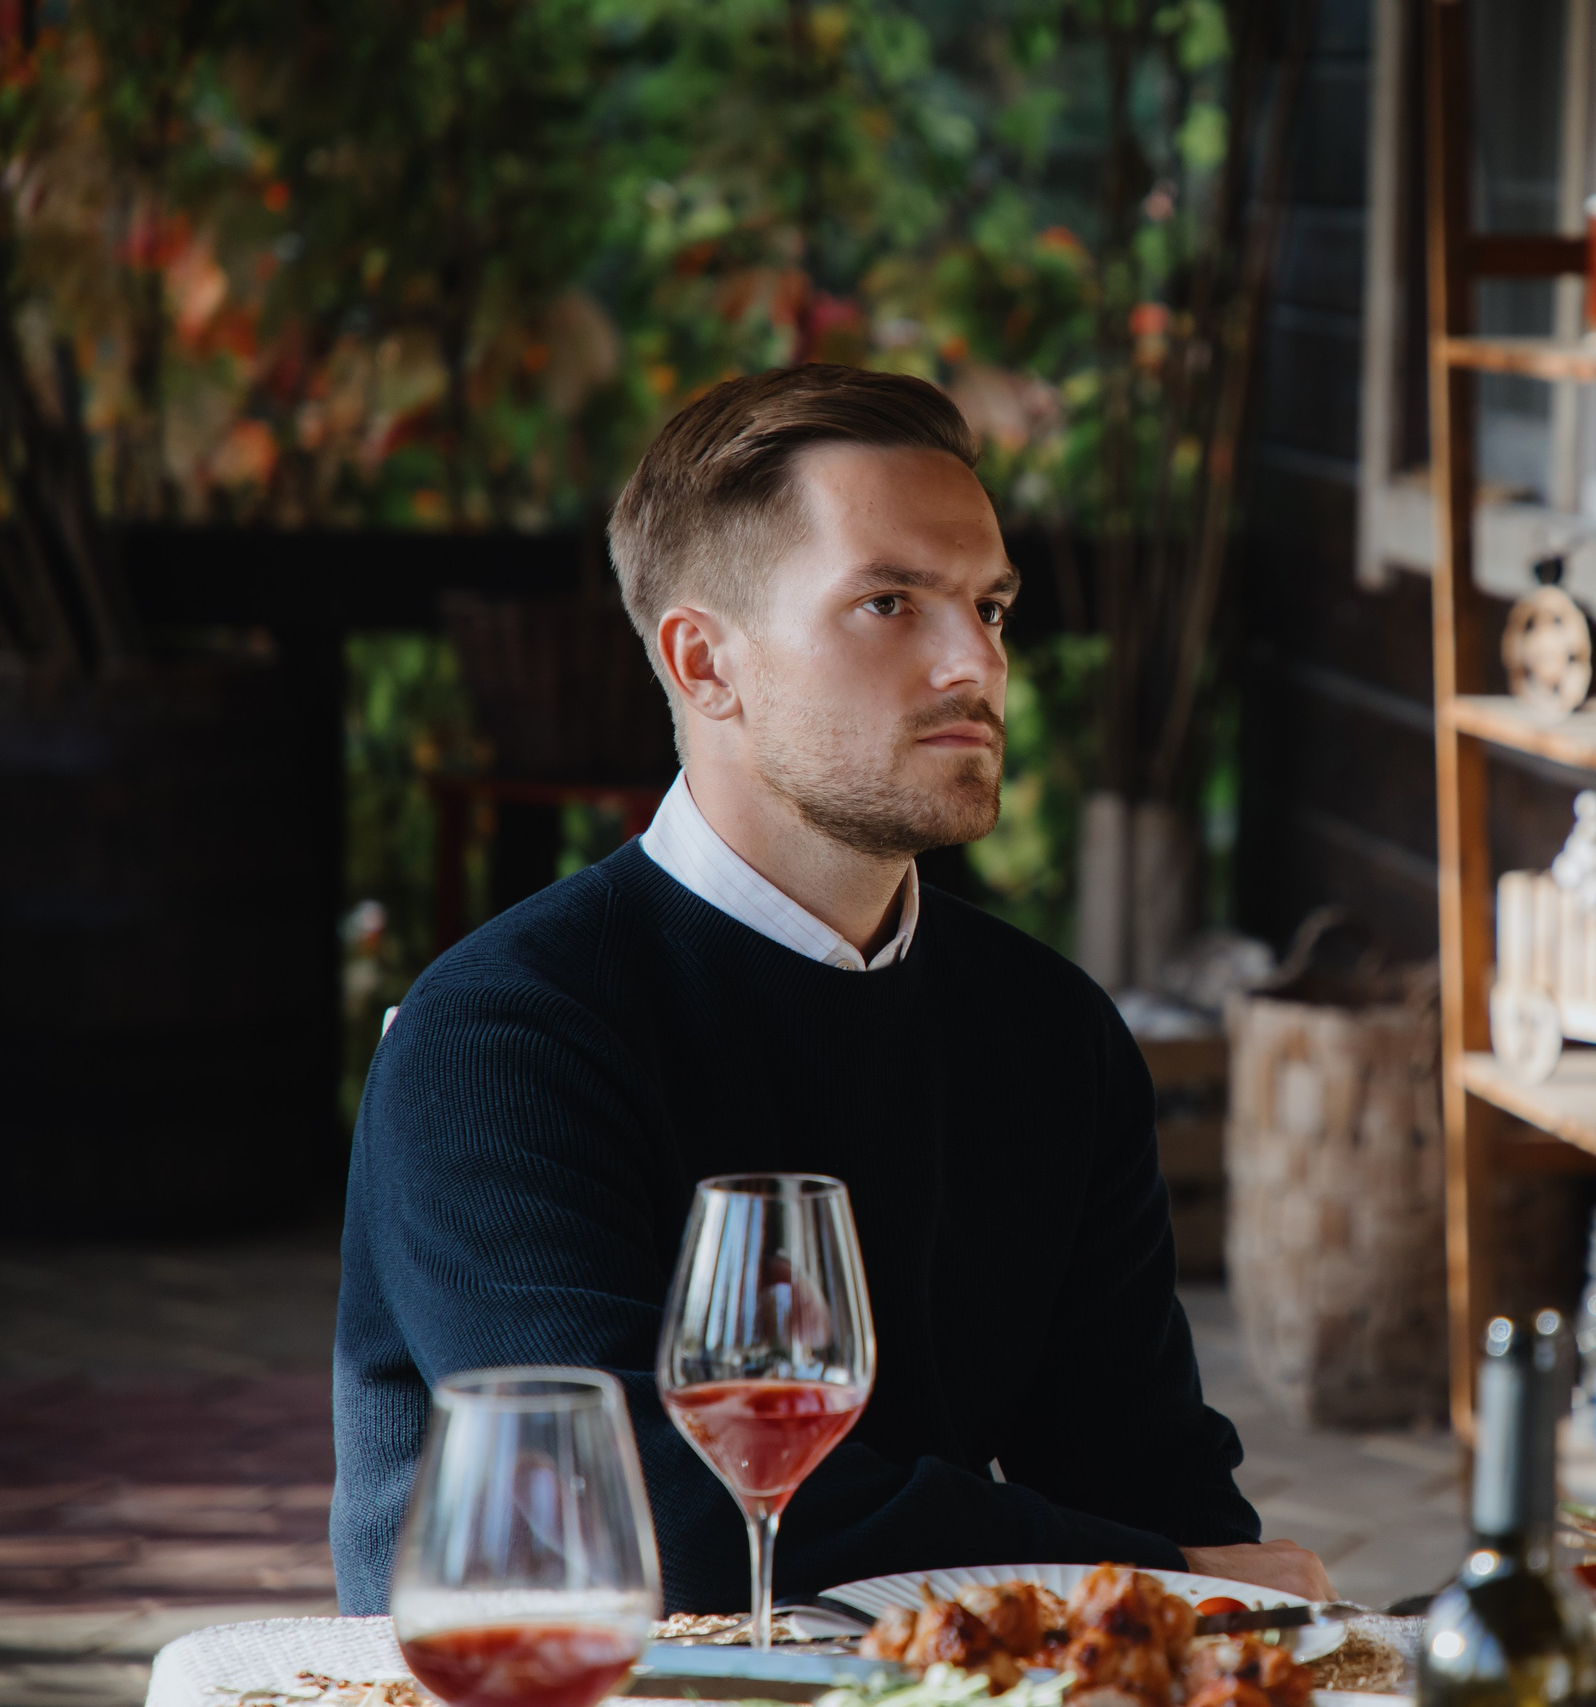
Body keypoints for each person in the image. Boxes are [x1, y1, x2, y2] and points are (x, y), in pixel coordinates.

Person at [332, 365, 1331, 1615]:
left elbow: (1152, 1488)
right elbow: (642, 1517)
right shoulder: (499, 1040)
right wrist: (1135, 1575)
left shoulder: (1051, 1033)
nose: (974, 661)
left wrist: (1185, 1583)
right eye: (889, 603)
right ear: (705, 665)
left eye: (991, 607)